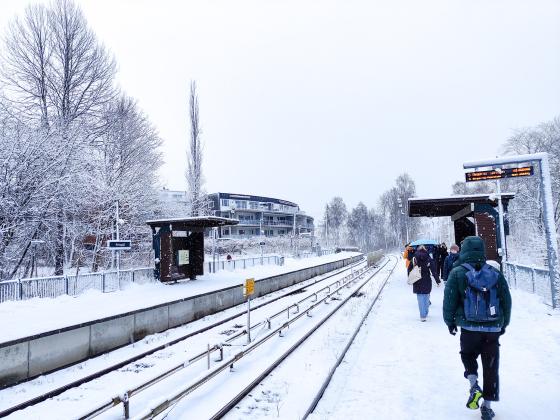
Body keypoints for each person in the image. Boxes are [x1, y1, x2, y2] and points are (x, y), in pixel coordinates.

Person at [443, 236, 512, 420]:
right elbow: (506, 300)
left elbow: (449, 300)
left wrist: (450, 322)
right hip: (492, 329)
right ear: (481, 250)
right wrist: (503, 324)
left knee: (467, 355)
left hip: (469, 328)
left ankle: (474, 385)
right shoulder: (495, 272)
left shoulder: (457, 272)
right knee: (491, 366)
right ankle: (487, 408)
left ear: (464, 250)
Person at [411, 245, 440, 321]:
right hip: (426, 279)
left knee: (420, 297)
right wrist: (438, 281)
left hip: (417, 279)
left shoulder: (414, 258)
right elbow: (433, 270)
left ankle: (422, 316)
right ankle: (426, 312)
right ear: (425, 249)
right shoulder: (428, 257)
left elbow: (410, 269)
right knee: (426, 296)